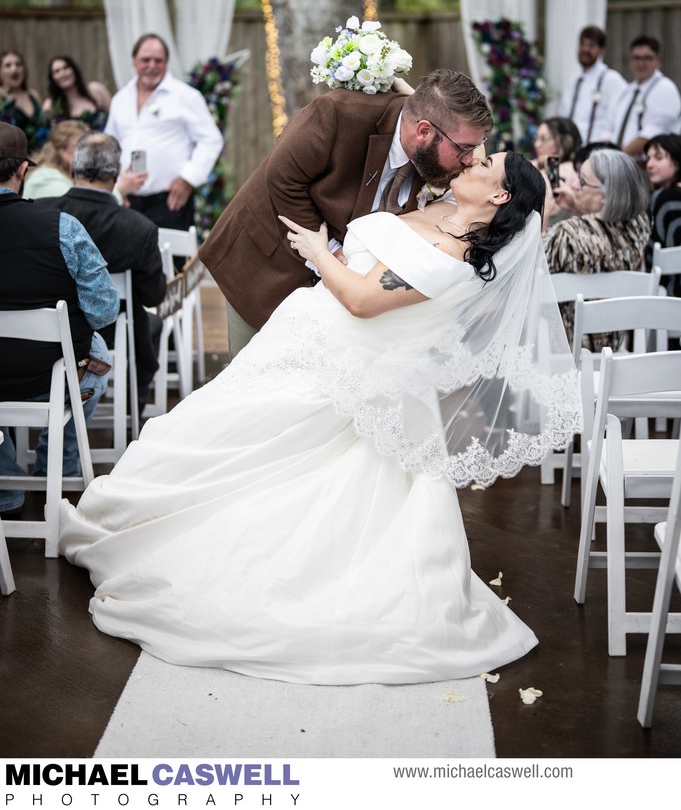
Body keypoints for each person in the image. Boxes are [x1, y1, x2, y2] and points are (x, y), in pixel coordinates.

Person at [60, 150, 580, 683]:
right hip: (303, 342)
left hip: (335, 364)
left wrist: (316, 251)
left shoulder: (450, 254)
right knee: (215, 428)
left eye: (487, 162)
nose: (474, 159)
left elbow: (359, 300)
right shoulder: (441, 209)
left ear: (499, 195)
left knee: (262, 459)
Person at [199, 69, 493, 360]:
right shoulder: (338, 113)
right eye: (464, 149)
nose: (469, 160)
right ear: (424, 131)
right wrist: (329, 253)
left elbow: (483, 171)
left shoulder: (439, 158)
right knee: (251, 380)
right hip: (264, 265)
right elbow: (281, 178)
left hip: (334, 303)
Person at [0, 122, 120, 514]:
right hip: (51, 377)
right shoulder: (62, 227)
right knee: (97, 354)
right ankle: (58, 468)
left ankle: (6, 485)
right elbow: (103, 311)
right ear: (22, 171)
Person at [38, 133, 167, 418]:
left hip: (43, 336)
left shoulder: (40, 212)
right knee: (152, 325)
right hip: (113, 336)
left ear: (73, 170)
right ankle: (133, 417)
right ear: (117, 173)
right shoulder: (139, 228)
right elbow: (153, 295)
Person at [105, 33, 224, 233]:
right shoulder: (121, 99)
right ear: (134, 61)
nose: (152, 65)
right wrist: (114, 187)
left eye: (158, 60)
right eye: (145, 60)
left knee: (171, 263)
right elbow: (110, 145)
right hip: (127, 202)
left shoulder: (185, 96)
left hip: (170, 202)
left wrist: (188, 179)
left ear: (166, 63)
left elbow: (211, 140)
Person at [544, 148, 651, 347]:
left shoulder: (567, 236)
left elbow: (534, 267)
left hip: (567, 348)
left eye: (582, 181)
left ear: (607, 195)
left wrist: (544, 210)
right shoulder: (641, 225)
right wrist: (577, 208)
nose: (574, 185)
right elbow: (603, 239)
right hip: (616, 344)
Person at [615, 35, 681, 158]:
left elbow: (650, 135)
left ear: (658, 60)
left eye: (647, 58)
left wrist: (616, 158)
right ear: (630, 60)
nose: (641, 63)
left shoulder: (665, 89)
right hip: (624, 163)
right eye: (636, 58)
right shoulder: (628, 91)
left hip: (648, 166)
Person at [560, 26, 626, 144]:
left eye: (591, 45)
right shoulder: (574, 79)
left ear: (601, 50)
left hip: (596, 151)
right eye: (582, 44)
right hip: (571, 149)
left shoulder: (611, 79)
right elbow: (564, 113)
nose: (585, 49)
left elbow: (621, 116)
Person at [643, 133, 681, 297]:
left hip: (670, 297)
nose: (649, 164)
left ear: (678, 161)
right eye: (648, 158)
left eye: (658, 158)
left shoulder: (666, 198)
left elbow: (660, 260)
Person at [532, 116, 582, 228]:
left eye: (544, 139)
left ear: (564, 142)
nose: (537, 144)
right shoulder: (537, 164)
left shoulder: (568, 170)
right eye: (536, 138)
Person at [22, 119, 90, 200]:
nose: (88, 152)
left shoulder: (56, 176)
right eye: (81, 147)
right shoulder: (50, 181)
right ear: (63, 150)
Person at [43, 55, 112, 132]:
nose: (63, 73)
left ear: (74, 69)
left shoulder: (96, 90)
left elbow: (116, 116)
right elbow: (48, 135)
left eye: (66, 68)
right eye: (57, 71)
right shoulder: (50, 104)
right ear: (52, 77)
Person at [0, 49, 49, 155]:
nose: (14, 68)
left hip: (40, 158)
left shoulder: (33, 95)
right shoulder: (1, 97)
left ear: (24, 70)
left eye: (18, 64)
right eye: (8, 65)